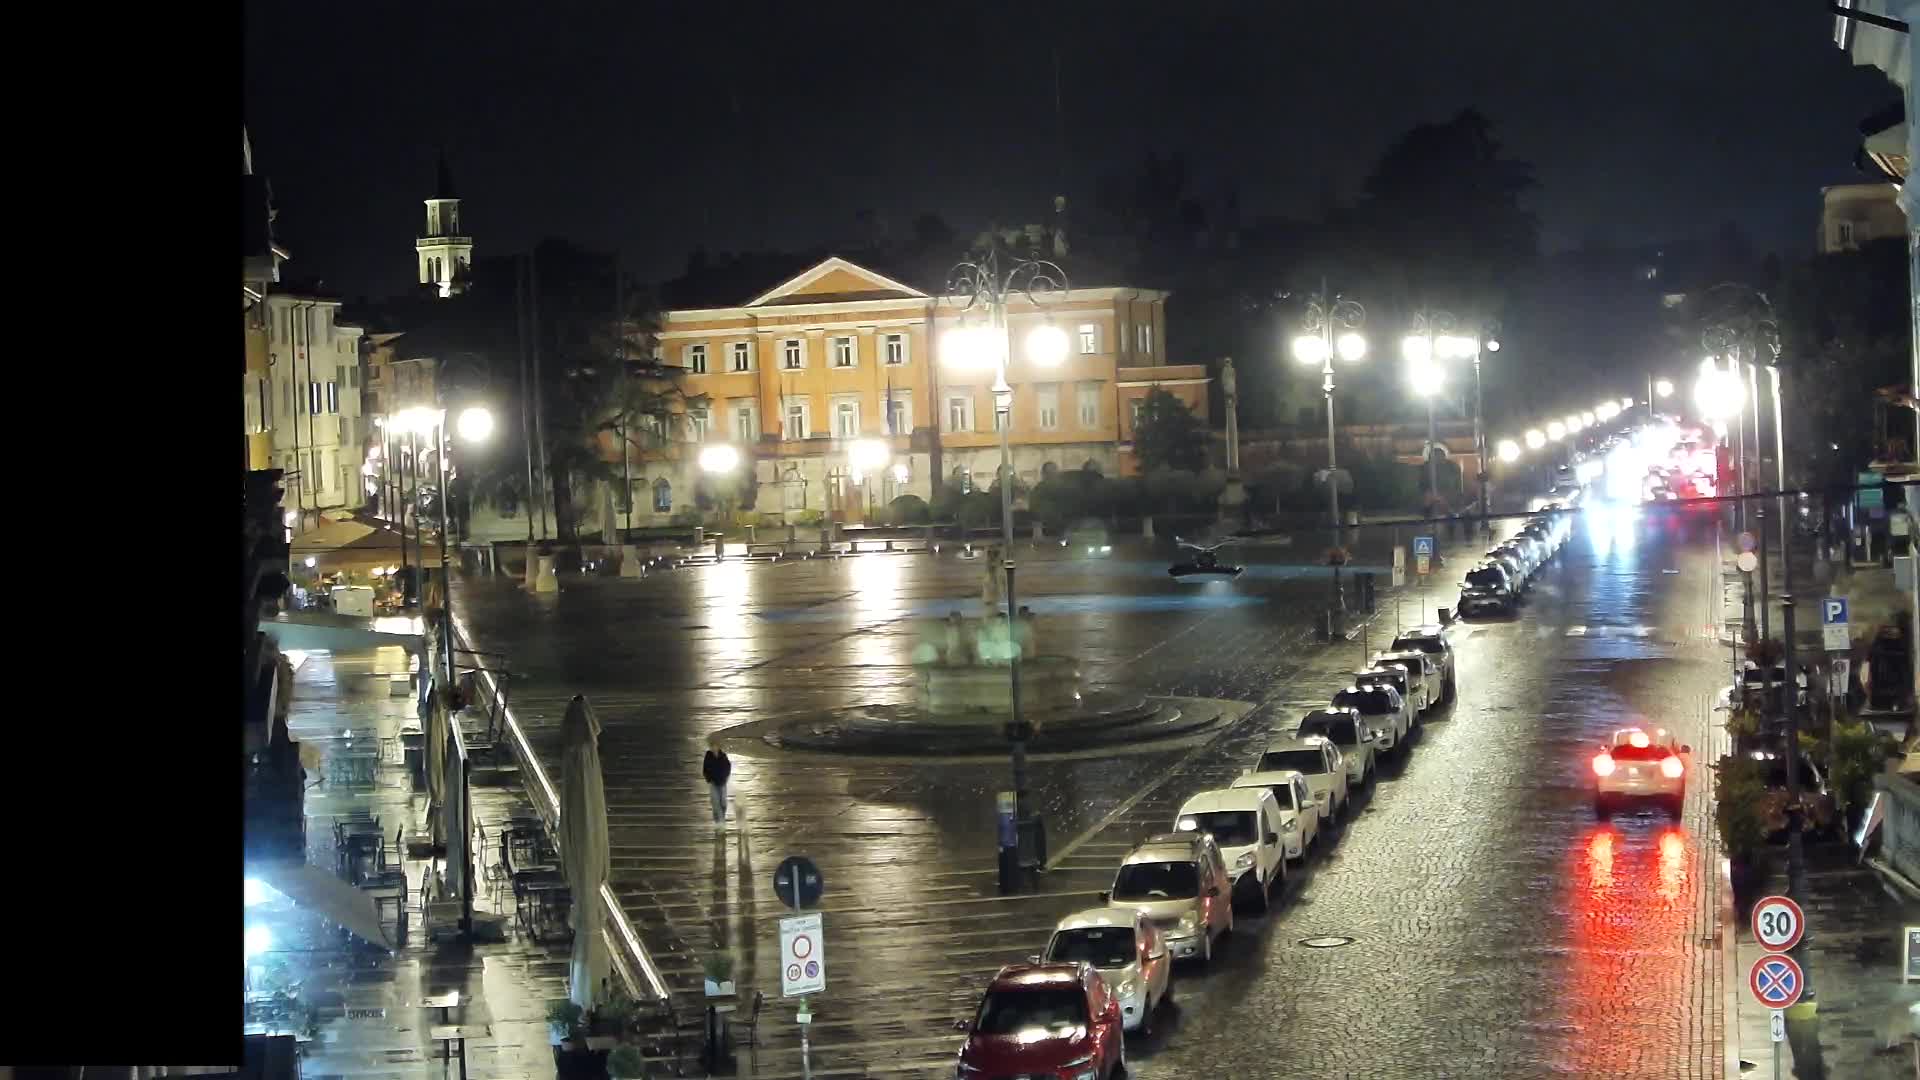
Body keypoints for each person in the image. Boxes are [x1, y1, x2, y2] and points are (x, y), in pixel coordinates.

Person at [703, 748, 733, 828]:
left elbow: (728, 767)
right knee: (716, 803)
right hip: (713, 783)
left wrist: (726, 777)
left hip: (722, 783)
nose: (715, 748)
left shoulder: (723, 756)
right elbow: (705, 769)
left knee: (723, 803)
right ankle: (720, 824)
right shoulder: (708, 755)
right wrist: (709, 779)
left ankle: (721, 820)